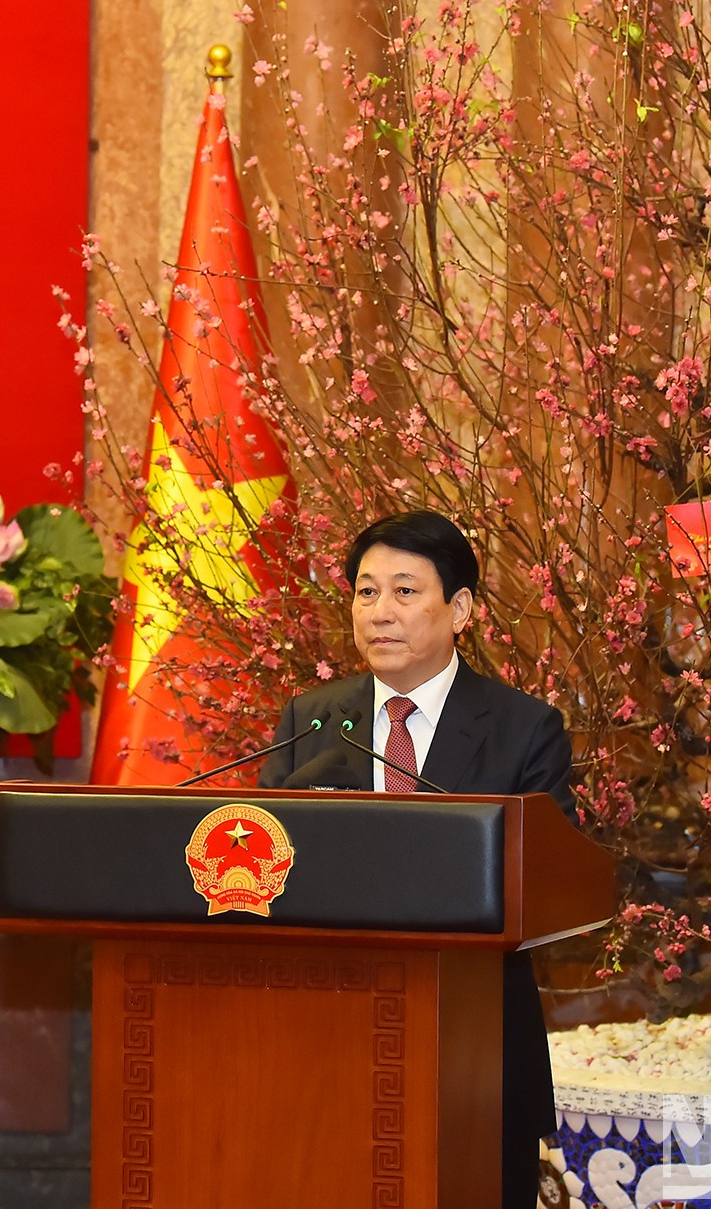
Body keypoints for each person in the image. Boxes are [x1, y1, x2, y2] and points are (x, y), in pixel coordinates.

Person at [257, 509, 577, 1209]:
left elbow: (546, 889)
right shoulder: (309, 722)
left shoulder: (526, 730)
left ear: (460, 608)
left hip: (475, 1053)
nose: (380, 612)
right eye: (366, 592)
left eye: (405, 591)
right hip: (324, 1046)